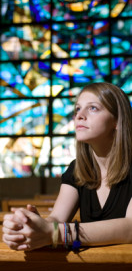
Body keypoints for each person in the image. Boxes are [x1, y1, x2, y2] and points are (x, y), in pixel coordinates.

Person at [2, 82, 132, 251]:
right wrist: (31, 226)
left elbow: (129, 228)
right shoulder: (77, 168)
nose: (79, 115)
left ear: (117, 120)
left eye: (92, 108)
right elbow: (56, 219)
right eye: (78, 109)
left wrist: (54, 233)